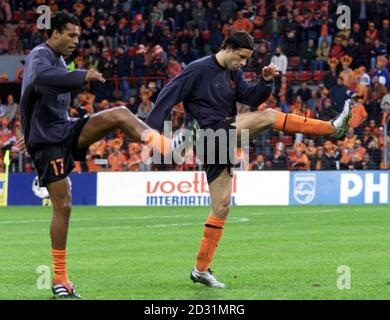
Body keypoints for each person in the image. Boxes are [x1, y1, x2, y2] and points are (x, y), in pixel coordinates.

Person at [145, 31, 352, 288]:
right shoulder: (197, 69)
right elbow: (168, 94)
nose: (243, 63)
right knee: (268, 117)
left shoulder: (233, 72)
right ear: (229, 48)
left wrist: (265, 81)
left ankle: (201, 269)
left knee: (222, 206)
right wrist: (153, 133)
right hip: (210, 133)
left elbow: (251, 97)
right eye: (242, 57)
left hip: (220, 140)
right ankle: (332, 129)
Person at [18, 11, 170, 298]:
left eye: (78, 35)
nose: (77, 40)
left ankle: (163, 144)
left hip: (61, 130)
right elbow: (39, 80)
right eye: (71, 35)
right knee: (63, 205)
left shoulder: (60, 60)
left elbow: (37, 98)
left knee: (120, 114)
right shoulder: (41, 53)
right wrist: (81, 75)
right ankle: (60, 279)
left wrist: (30, 128)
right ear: (53, 34)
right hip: (49, 141)